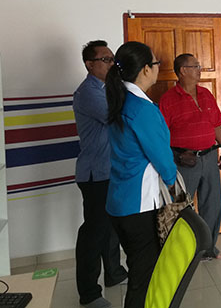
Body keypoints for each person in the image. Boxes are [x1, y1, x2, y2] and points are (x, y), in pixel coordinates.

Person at [105, 42, 177, 308]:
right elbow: (163, 159)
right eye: (156, 64)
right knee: (144, 279)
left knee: (139, 270)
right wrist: (173, 185)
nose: (158, 68)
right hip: (140, 206)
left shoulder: (120, 100)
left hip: (119, 203)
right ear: (146, 69)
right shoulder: (142, 109)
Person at [159, 53, 221, 260]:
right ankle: (182, 251)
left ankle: (208, 249)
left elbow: (215, 125)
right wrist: (171, 159)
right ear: (183, 71)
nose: (200, 70)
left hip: (209, 156)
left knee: (213, 204)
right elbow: (161, 135)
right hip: (183, 160)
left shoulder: (206, 94)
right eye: (196, 66)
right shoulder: (168, 100)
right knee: (182, 208)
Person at [73, 40, 127, 308]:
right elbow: (115, 116)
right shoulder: (88, 92)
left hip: (110, 170)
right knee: (93, 233)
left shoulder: (106, 88)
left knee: (110, 228)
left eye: (112, 59)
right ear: (89, 64)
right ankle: (89, 294)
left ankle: (114, 273)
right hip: (95, 174)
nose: (112, 63)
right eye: (106, 60)